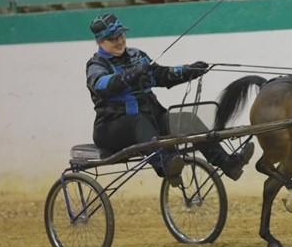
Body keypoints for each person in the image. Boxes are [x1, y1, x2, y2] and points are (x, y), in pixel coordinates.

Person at [85, 13, 254, 185]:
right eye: (113, 39)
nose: (119, 41)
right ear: (101, 41)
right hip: (111, 129)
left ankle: (227, 163)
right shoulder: (96, 65)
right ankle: (166, 165)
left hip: (150, 122)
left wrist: (187, 71)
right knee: (138, 121)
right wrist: (130, 75)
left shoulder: (138, 56)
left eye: (121, 35)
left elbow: (161, 75)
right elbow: (101, 85)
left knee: (186, 119)